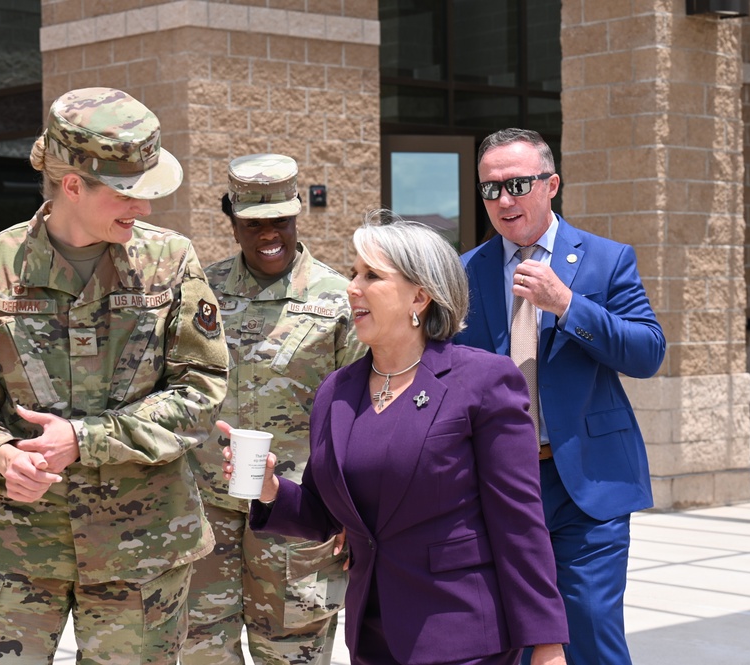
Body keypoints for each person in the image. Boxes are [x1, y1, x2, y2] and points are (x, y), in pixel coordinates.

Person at [0, 87, 230, 664]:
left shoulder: (171, 261)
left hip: (141, 549)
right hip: (11, 549)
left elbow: (202, 392)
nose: (142, 208)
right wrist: (0, 455)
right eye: (126, 193)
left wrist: (84, 440)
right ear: (72, 185)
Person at [224, 209, 569, 665]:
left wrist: (546, 644)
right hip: (373, 637)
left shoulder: (484, 381)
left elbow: (519, 523)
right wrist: (270, 491)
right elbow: (325, 514)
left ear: (420, 296)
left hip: (464, 634)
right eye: (353, 274)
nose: (352, 287)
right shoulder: (336, 391)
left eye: (371, 275)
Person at [454, 128, 666, 665]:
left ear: (552, 185)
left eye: (518, 184)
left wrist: (568, 304)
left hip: (587, 482)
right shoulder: (464, 272)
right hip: (499, 483)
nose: (503, 200)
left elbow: (647, 353)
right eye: (490, 189)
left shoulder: (606, 259)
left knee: (588, 627)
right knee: (516, 638)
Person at [183, 154, 365, 665]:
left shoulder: (338, 299)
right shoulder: (202, 292)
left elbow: (360, 414)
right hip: (208, 508)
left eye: (280, 222)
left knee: (294, 652)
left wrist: (352, 509)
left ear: (297, 216)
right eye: (254, 224)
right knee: (201, 649)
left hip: (297, 511)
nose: (269, 235)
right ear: (234, 222)